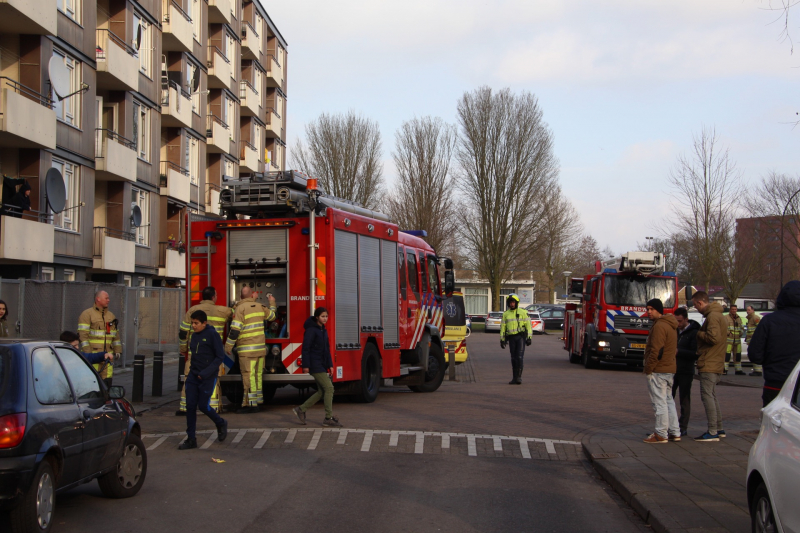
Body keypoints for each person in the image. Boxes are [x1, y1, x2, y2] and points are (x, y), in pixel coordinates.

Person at [177, 286, 233, 416]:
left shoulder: (192, 310)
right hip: (213, 356)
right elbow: (236, 313)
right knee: (213, 380)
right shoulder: (223, 311)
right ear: (213, 297)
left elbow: (183, 332)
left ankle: (185, 407)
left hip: (194, 355)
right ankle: (213, 407)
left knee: (189, 379)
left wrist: (183, 349)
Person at [178, 310, 228, 450]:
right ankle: (191, 439)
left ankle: (220, 423)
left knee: (203, 406)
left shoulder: (212, 335)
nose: (193, 326)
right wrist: (192, 373)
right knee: (190, 406)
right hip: (193, 376)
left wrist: (206, 373)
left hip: (207, 377)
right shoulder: (194, 336)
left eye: (196, 323)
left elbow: (220, 357)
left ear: (204, 323)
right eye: (192, 323)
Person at [747, 280, 800, 407]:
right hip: (798, 386)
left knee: (773, 417)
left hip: (775, 383)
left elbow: (755, 354)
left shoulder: (769, 321)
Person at [225, 286, 276, 413]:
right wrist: (272, 303)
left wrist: (228, 346)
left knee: (248, 376)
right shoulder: (260, 307)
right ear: (252, 295)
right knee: (258, 375)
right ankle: (258, 400)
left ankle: (250, 404)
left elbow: (235, 330)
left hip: (246, 351)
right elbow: (272, 317)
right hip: (260, 350)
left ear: (241, 297)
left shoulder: (240, 308)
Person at [292, 307, 342, 427]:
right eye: (322, 316)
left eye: (326, 316)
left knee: (321, 392)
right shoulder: (311, 330)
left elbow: (326, 350)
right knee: (329, 388)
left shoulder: (323, 330)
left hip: (321, 364)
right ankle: (328, 418)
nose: (325, 319)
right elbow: (306, 348)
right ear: (317, 317)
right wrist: (306, 366)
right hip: (315, 364)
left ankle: (301, 409)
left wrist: (330, 365)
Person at [642, 299, 680, 443]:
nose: (648, 312)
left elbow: (656, 350)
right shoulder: (671, 325)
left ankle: (661, 433)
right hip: (669, 368)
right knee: (669, 400)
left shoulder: (659, 326)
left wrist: (649, 368)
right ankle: (675, 432)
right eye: (647, 309)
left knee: (659, 402)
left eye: (651, 309)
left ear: (658, 310)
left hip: (659, 369)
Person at [692, 291, 727, 442]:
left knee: (707, 396)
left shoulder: (712, 316)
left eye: (695, 305)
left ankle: (712, 431)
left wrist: (699, 333)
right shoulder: (719, 315)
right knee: (712, 395)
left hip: (709, 361)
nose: (696, 308)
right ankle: (719, 428)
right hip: (716, 360)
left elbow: (713, 338)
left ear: (700, 303)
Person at [77, 290, 122, 388]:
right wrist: (88, 354)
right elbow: (83, 336)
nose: (108, 300)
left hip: (108, 357)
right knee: (93, 382)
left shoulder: (111, 316)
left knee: (107, 382)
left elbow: (115, 335)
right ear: (98, 299)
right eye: (106, 298)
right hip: (94, 356)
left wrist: (118, 350)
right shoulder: (87, 314)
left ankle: (106, 396)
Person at [673, 308, 699, 437]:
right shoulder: (675, 331)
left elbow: (695, 353)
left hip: (686, 370)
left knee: (684, 398)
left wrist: (679, 352)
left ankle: (683, 426)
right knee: (668, 397)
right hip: (673, 369)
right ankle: (669, 425)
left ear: (686, 319)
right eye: (676, 321)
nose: (677, 324)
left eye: (680, 321)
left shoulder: (694, 332)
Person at [500, 294, 532, 385]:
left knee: (519, 357)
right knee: (513, 358)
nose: (512, 304)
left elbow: (528, 326)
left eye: (513, 302)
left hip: (520, 337)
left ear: (516, 303)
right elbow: (503, 327)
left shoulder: (523, 312)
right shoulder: (505, 314)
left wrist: (529, 338)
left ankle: (519, 377)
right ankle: (514, 378)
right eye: (510, 302)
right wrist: (502, 339)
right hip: (511, 338)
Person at [725, 304, 745, 375]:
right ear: (730, 310)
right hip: (728, 340)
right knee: (727, 356)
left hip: (737, 341)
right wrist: (728, 333)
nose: (734, 310)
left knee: (738, 356)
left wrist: (741, 332)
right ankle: (724, 369)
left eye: (735, 309)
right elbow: (723, 327)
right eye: (732, 309)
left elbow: (742, 327)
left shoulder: (739, 318)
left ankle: (738, 370)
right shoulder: (726, 318)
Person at [745, 305, 763, 377]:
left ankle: (758, 371)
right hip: (751, 340)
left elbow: (760, 328)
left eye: (749, 310)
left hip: (754, 340)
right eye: (747, 310)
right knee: (753, 354)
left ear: (753, 310)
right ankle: (756, 370)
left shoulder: (755, 318)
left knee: (755, 354)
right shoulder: (750, 318)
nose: (747, 311)